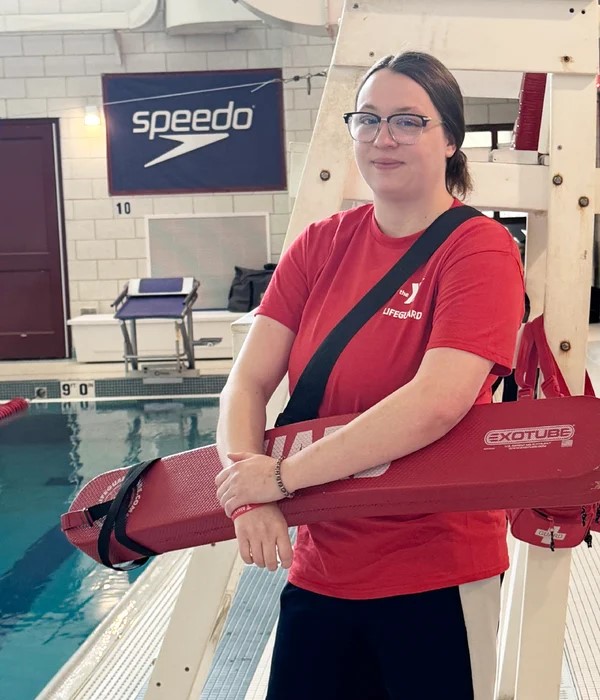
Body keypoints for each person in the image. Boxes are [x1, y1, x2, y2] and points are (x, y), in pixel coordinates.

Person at [215, 51, 524, 700]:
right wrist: (249, 492)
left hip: (435, 574)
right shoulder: (320, 244)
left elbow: (437, 403)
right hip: (320, 572)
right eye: (369, 119)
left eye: (409, 121)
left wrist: (281, 477)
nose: (384, 138)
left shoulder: (480, 251)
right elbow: (245, 384)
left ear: (449, 138)